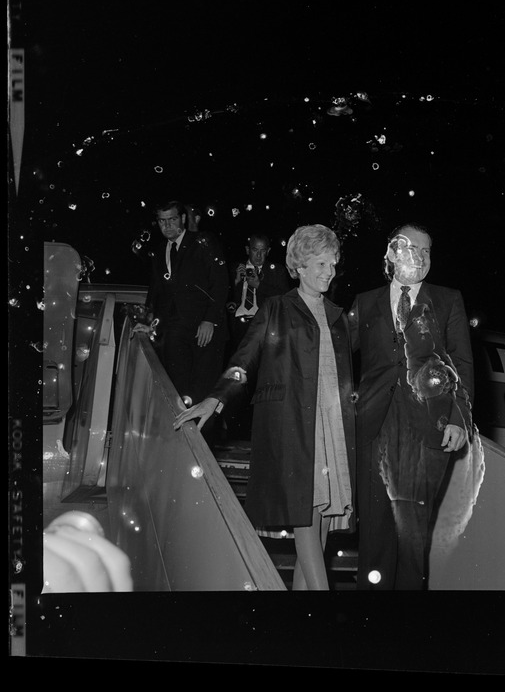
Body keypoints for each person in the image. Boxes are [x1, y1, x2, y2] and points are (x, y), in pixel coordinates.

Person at [174, 224, 356, 591]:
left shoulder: (338, 318)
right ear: (299, 266)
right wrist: (217, 396)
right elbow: (245, 359)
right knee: (306, 516)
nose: (328, 272)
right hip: (293, 425)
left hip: (332, 423)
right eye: (320, 264)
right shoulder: (277, 308)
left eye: (332, 264)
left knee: (320, 522)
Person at [348, 222, 475, 590]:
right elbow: (334, 353)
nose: (419, 256)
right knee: (374, 535)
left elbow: (462, 364)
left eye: (426, 250)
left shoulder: (447, 300)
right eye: (411, 248)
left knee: (412, 537)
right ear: (391, 251)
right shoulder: (365, 302)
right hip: (375, 428)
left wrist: (459, 418)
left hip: (427, 429)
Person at [134, 200, 229, 444]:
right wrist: (150, 324)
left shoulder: (203, 243)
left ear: (183, 219)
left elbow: (219, 283)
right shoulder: (159, 251)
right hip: (175, 332)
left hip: (204, 332)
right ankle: (182, 448)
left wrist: (210, 319)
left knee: (204, 393)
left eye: (172, 219)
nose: (167, 226)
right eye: (162, 221)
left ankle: (206, 449)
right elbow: (155, 293)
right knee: (178, 392)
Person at [226, 232, 292, 350]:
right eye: (255, 250)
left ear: (268, 251)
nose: (258, 255)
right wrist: (235, 282)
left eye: (263, 251)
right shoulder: (233, 268)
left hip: (265, 327)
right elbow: (222, 297)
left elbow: (285, 298)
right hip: (238, 327)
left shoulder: (276, 271)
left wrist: (259, 285)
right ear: (247, 250)